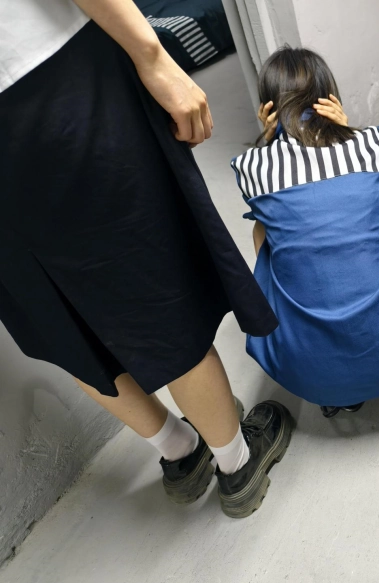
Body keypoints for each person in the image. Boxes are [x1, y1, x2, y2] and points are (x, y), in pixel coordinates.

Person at [0, 0, 292, 518]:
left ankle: (181, 452)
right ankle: (237, 463)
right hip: (53, 83)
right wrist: (153, 57)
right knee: (157, 288)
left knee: (66, 324)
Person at [231, 47, 379, 418]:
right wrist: (349, 131)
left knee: (264, 225)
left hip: (306, 377)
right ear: (329, 96)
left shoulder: (251, 166)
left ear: (268, 107)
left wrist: (267, 143)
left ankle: (330, 370)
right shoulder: (378, 142)